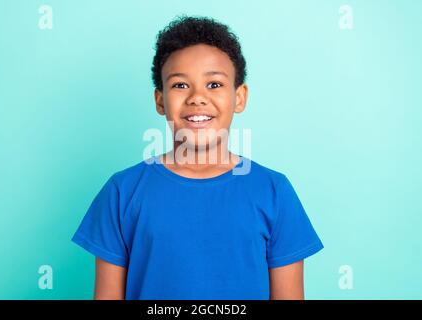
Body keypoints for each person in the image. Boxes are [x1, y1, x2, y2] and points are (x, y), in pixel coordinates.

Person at [71, 15, 324, 300]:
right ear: (160, 100)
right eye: (180, 85)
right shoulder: (122, 191)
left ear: (239, 97)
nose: (197, 98)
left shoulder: (274, 191)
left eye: (214, 84)